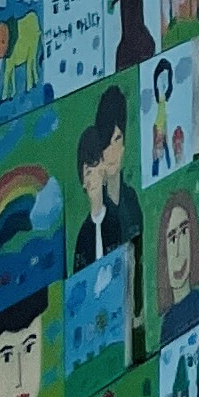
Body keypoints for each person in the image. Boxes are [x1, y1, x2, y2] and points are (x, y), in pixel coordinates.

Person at [68, 91, 137, 269]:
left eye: (117, 139)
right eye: (106, 144)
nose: (111, 152)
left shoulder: (130, 202)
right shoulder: (88, 228)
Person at [154, 185, 199, 343]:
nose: (178, 251)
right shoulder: (168, 324)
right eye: (172, 239)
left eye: (184, 232)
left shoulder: (198, 299)